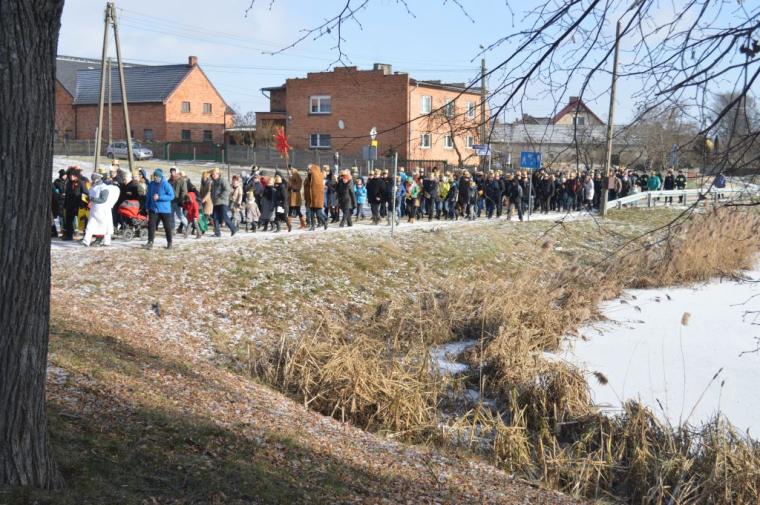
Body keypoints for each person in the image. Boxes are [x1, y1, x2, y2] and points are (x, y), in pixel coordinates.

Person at [82, 172, 121, 247]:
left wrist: (92, 199)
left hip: (103, 210)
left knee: (106, 227)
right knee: (90, 226)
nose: (93, 180)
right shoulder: (93, 187)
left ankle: (107, 242)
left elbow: (103, 199)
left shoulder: (104, 188)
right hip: (94, 210)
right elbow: (91, 196)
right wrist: (88, 199)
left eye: (94, 178)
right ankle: (86, 241)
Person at [144, 169, 175, 250]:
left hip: (165, 210)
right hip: (153, 209)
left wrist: (160, 197)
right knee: (151, 226)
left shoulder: (166, 184)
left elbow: (171, 196)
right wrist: (147, 206)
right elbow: (148, 196)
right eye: (155, 176)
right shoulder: (151, 184)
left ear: (161, 177)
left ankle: (169, 243)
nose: (155, 178)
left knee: (167, 227)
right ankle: (150, 242)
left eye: (157, 177)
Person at [210, 167, 237, 237]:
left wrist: (221, 196)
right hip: (216, 202)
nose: (213, 175)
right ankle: (217, 233)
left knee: (224, 217)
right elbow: (212, 192)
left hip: (222, 202)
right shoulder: (213, 182)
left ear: (218, 174)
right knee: (215, 217)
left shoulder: (222, 180)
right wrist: (212, 198)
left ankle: (233, 228)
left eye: (214, 174)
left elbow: (228, 189)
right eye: (212, 174)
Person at [304, 163, 328, 231]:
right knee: (312, 214)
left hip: (317, 200)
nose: (308, 171)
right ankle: (312, 226)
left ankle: (324, 222)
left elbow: (318, 189)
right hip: (311, 200)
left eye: (309, 169)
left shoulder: (317, 177)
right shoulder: (310, 177)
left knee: (319, 214)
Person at [62, 166, 83, 240]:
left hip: (78, 205)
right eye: (70, 175)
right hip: (69, 205)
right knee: (68, 220)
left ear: (76, 175)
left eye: (73, 175)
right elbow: (67, 195)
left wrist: (83, 203)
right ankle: (69, 235)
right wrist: (65, 204)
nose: (71, 177)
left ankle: (84, 236)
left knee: (82, 221)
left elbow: (85, 192)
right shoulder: (68, 183)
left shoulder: (80, 183)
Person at [168, 167, 188, 234]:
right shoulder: (169, 181)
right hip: (170, 201)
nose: (172, 173)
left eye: (173, 171)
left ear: (177, 172)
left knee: (180, 216)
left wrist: (181, 200)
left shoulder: (181, 181)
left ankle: (188, 227)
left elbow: (184, 191)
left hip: (178, 201)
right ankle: (172, 230)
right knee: (171, 216)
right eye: (171, 172)